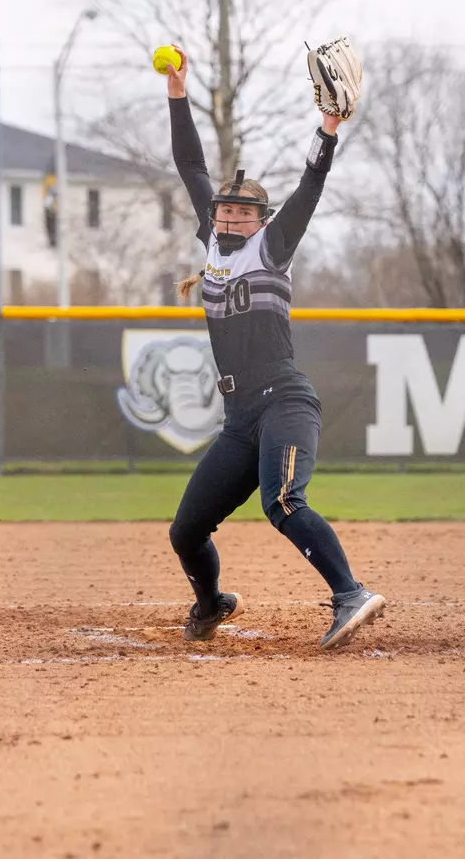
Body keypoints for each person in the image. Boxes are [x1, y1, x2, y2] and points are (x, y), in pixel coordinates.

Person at [164, 45, 385, 650]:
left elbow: (312, 182)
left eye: (243, 213)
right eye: (225, 211)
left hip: (284, 400)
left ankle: (351, 595)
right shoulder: (212, 243)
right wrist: (178, 94)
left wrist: (329, 129)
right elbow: (189, 164)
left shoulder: (273, 246)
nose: (231, 219)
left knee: (283, 502)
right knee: (186, 531)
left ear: (261, 220)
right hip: (240, 420)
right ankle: (210, 604)